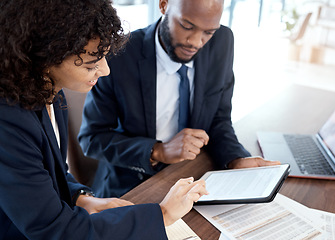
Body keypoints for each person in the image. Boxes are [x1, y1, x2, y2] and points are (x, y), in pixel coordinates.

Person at [0, 0, 208, 239]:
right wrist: (162, 215)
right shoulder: (8, 123)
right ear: (44, 57)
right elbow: (54, 230)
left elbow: (47, 171)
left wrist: (81, 197)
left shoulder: (48, 89)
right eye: (91, 64)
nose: (105, 70)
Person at [78, 0, 280, 198]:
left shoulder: (222, 41)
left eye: (208, 32)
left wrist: (236, 159)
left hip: (193, 175)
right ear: (163, 5)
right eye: (187, 26)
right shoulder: (120, 54)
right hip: (133, 183)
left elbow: (218, 119)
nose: (196, 42)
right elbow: (92, 139)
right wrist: (157, 151)